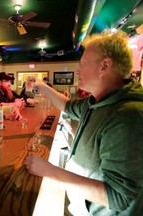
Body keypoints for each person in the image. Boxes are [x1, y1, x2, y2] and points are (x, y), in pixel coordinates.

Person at [24, 30, 143, 215]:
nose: (78, 70)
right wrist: (40, 84)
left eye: (83, 64)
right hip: (82, 205)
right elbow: (67, 105)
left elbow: (118, 197)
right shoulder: (95, 100)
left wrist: (50, 171)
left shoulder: (127, 116)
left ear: (104, 66)